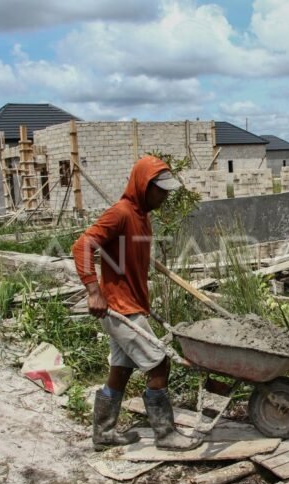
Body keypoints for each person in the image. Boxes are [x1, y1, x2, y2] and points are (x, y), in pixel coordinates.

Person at [71, 155, 202, 452]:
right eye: (161, 190)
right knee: (159, 364)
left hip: (130, 305)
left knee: (121, 369)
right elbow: (82, 245)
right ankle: (165, 435)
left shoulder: (142, 215)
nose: (165, 196)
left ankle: (104, 433)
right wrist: (93, 291)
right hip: (120, 308)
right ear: (144, 186)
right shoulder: (120, 213)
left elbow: (122, 252)